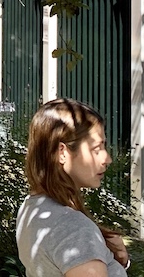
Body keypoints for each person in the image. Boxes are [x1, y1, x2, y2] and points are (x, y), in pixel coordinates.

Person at [16, 98, 129, 277]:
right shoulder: (74, 228)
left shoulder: (32, 209)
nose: (107, 159)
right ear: (62, 152)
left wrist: (116, 261)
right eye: (97, 149)